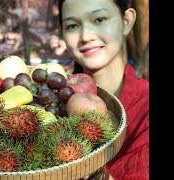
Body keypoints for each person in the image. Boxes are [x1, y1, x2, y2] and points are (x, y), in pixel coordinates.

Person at [58, 0, 149, 179]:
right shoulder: (53, 98)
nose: (85, 36)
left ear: (127, 21)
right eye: (73, 25)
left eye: (99, 19)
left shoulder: (146, 105)